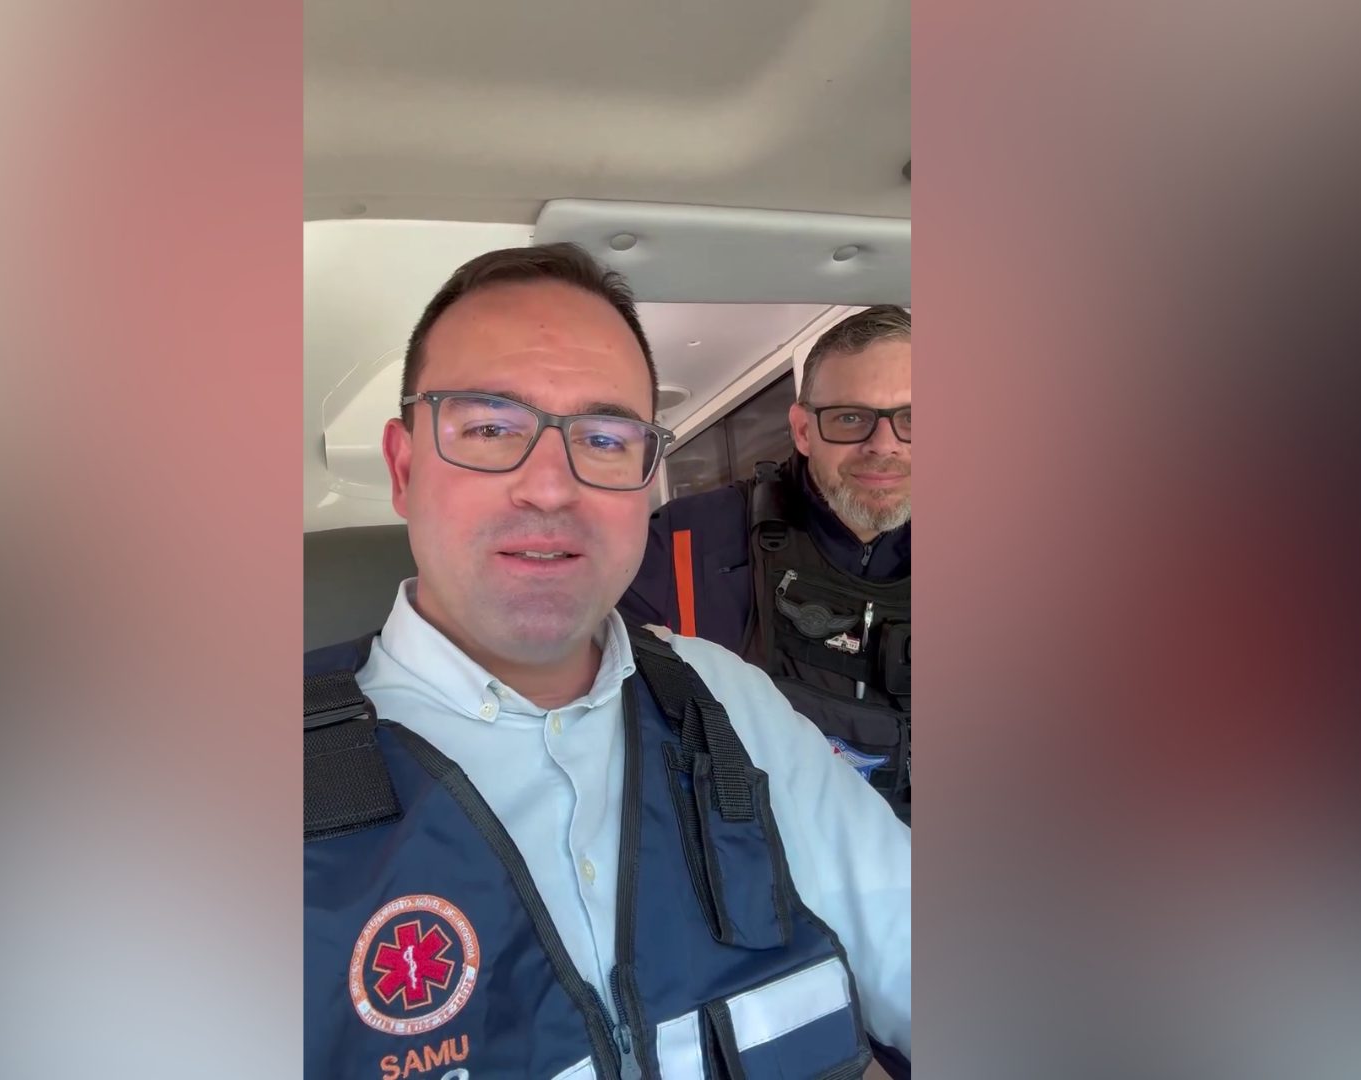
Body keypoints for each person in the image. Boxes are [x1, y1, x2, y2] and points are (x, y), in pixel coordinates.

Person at [303, 244, 911, 1079]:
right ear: (404, 469)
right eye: (491, 429)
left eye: (604, 438)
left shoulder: (727, 699)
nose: (551, 488)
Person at [619, 306, 914, 821]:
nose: (884, 446)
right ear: (802, 430)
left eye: (913, 418)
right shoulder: (681, 545)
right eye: (850, 418)